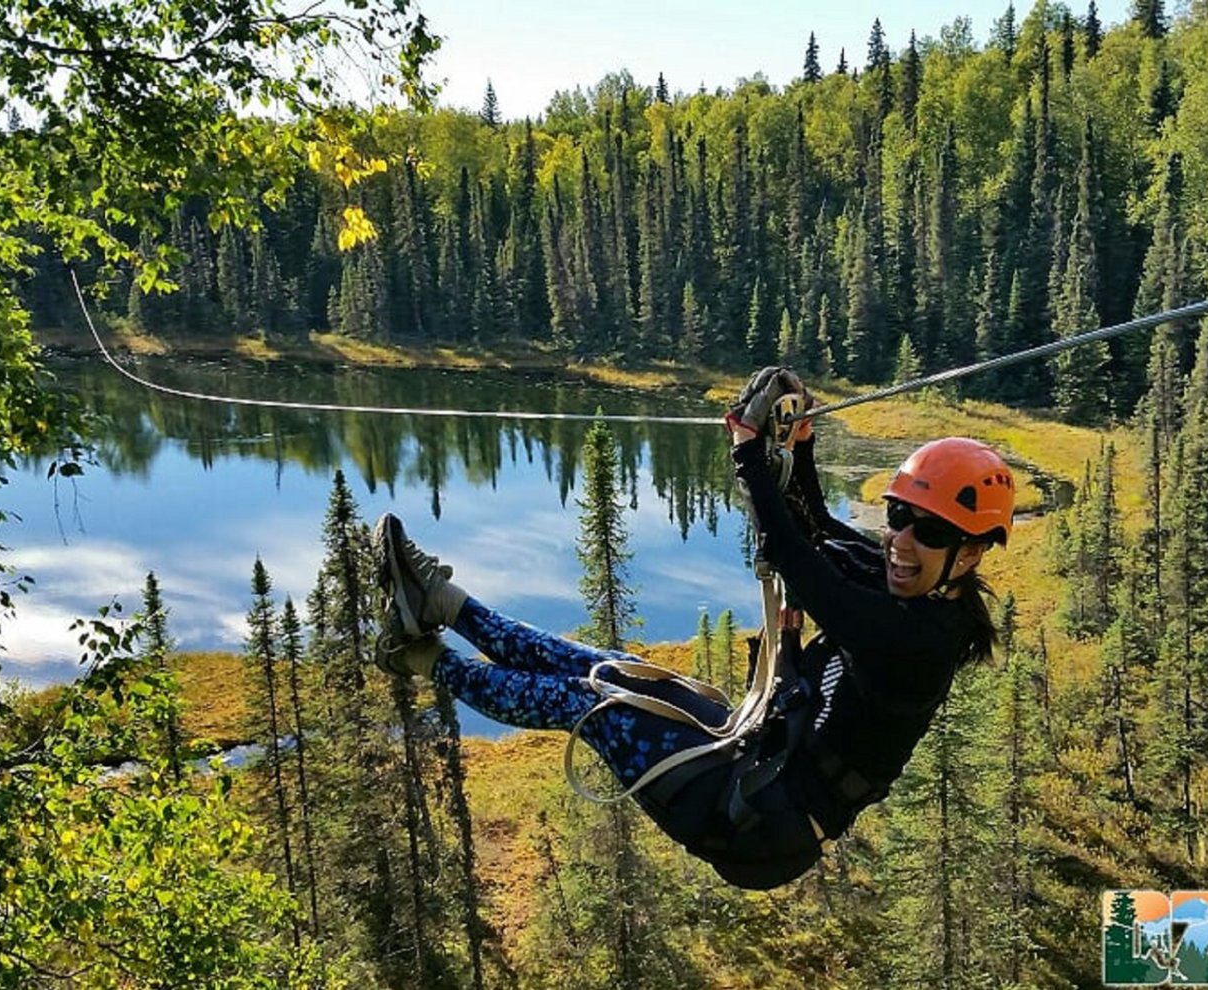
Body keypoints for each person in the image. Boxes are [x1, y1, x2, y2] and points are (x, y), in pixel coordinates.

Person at [372, 367, 1014, 890]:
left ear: (973, 552)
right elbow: (814, 525)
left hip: (756, 817)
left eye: (927, 531)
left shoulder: (922, 642)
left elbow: (801, 565)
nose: (900, 540)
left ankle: (424, 659)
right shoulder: (911, 582)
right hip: (758, 759)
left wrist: (748, 453)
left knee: (587, 705)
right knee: (601, 667)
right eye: (898, 515)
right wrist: (802, 444)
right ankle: (444, 603)